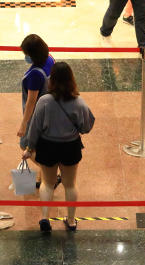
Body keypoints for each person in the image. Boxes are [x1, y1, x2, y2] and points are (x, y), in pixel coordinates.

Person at [22, 62, 94, 232]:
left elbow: (35, 128)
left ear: (51, 80)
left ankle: (45, 218)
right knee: (70, 185)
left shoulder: (44, 101)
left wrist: (29, 148)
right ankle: (71, 221)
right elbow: (87, 126)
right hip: (70, 146)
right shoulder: (78, 102)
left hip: (48, 145)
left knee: (47, 183)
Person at [17, 35, 55, 189]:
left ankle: (50, 172)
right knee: (39, 144)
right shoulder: (50, 59)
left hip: (36, 115)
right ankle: (44, 174)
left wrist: (23, 124)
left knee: (26, 144)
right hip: (49, 109)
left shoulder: (34, 75)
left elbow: (31, 102)